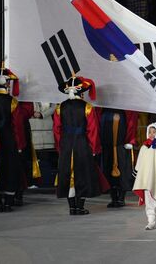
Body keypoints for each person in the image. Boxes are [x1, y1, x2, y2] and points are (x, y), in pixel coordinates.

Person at [53, 75, 104, 215]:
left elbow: (56, 129)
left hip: (66, 143)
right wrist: (94, 148)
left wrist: (60, 145)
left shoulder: (60, 107)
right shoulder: (87, 107)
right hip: (82, 142)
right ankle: (80, 207)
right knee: (82, 173)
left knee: (67, 173)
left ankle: (72, 208)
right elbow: (92, 129)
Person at [0, 67, 27, 212]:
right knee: (10, 169)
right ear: (6, 84)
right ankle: (8, 202)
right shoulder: (12, 102)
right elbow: (17, 126)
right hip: (9, 140)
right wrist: (20, 144)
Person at [97, 108, 137, 208]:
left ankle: (121, 198)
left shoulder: (125, 109)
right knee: (108, 169)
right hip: (107, 145)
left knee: (123, 171)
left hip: (122, 145)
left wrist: (131, 140)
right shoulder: (102, 110)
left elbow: (132, 120)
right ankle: (114, 198)